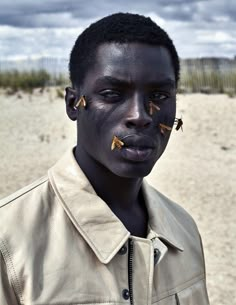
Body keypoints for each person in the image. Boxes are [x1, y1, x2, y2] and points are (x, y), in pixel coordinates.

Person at [0, 13, 209, 305]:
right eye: (112, 94)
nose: (140, 115)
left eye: (160, 95)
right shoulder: (8, 240)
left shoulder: (183, 231)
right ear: (74, 103)